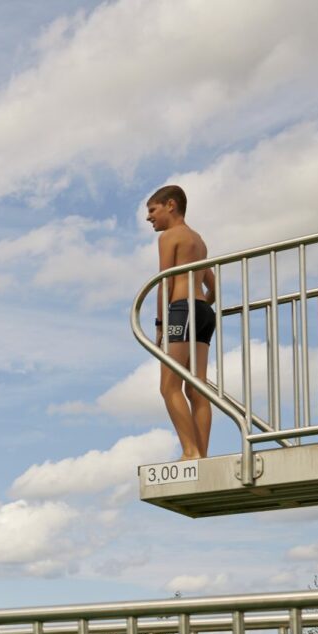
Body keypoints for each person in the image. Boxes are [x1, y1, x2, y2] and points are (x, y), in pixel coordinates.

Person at [146, 184, 217, 460]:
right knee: (196, 386)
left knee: (169, 386)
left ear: (170, 205)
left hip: (181, 311)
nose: (149, 217)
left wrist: (161, 323)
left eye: (153, 210)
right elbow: (214, 289)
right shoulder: (198, 241)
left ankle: (190, 452)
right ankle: (201, 453)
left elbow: (164, 281)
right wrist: (199, 305)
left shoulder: (170, 236)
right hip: (202, 313)